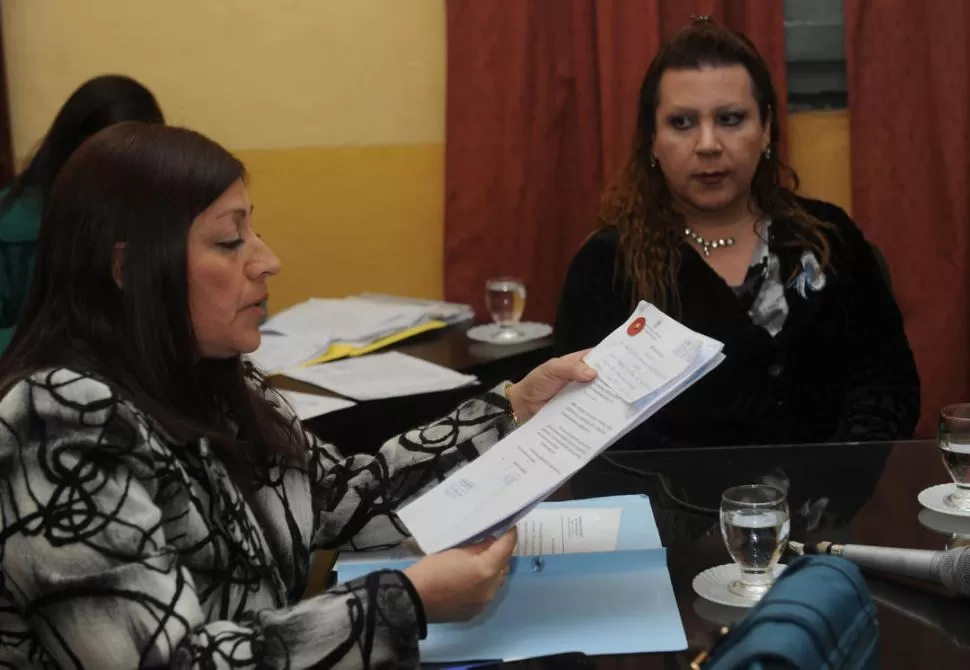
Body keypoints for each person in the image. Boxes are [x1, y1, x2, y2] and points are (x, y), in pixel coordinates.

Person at [0, 123, 597, 668]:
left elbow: (343, 497)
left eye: (253, 231)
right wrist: (403, 603)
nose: (268, 261)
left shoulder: (218, 378)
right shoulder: (57, 421)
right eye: (230, 242)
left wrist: (514, 406)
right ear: (129, 270)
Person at [555, 19, 919, 448]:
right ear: (652, 140)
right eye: (682, 123)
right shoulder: (606, 264)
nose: (708, 144)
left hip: (830, 506)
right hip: (670, 511)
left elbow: (885, 387)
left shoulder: (829, 240)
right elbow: (590, 427)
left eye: (730, 119)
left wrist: (836, 484)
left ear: (765, 128)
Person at [0, 74, 164, 351]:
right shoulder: (11, 224)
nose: (116, 175)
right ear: (69, 149)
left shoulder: (165, 212)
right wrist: (61, 334)